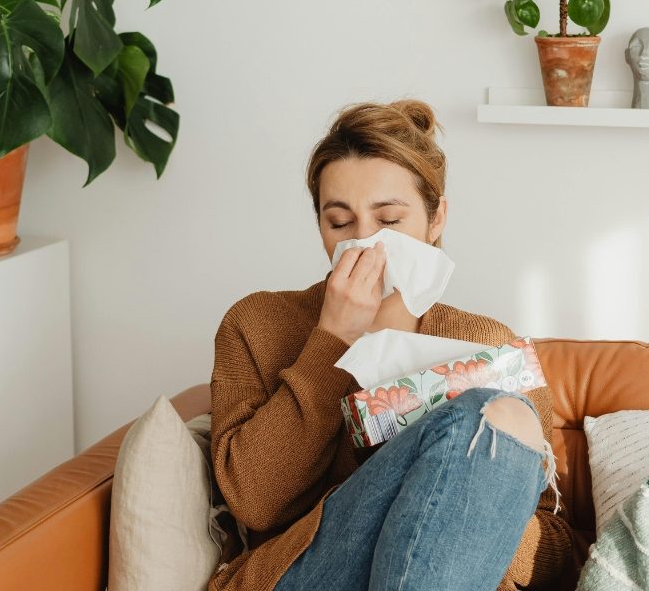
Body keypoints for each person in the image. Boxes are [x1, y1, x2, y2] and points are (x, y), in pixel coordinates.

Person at [207, 99, 574, 591]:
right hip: (304, 575)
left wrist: (462, 494)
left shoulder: (487, 346)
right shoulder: (257, 324)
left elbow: (555, 548)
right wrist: (333, 341)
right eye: (340, 223)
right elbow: (255, 502)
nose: (366, 243)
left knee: (491, 415)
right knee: (491, 416)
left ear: (435, 219)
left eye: (389, 220)